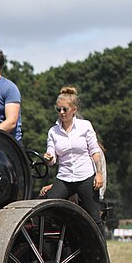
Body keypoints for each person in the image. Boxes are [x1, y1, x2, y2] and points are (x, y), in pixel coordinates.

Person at [40, 86, 104, 232]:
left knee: (94, 217)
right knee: (48, 209)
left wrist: (99, 173)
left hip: (85, 176)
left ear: (74, 109)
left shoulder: (85, 126)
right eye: (58, 109)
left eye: (65, 109)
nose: (61, 113)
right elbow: (52, 159)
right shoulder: (53, 131)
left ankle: (103, 253)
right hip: (65, 177)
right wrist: (48, 158)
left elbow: (95, 151)